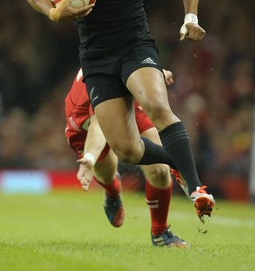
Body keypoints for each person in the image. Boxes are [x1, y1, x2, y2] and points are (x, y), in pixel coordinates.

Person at [23, 0, 215, 222]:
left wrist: (191, 17)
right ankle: (176, 163)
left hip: (135, 46)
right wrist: (53, 13)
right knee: (127, 149)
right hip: (96, 59)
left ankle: (196, 187)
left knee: (157, 107)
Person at [65, 67, 188, 247]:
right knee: (106, 173)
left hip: (126, 99)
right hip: (86, 119)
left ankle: (160, 232)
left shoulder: (121, 49)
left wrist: (157, 73)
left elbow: (134, 61)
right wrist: (90, 157)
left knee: (161, 170)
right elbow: (98, 126)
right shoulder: (100, 74)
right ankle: (112, 191)